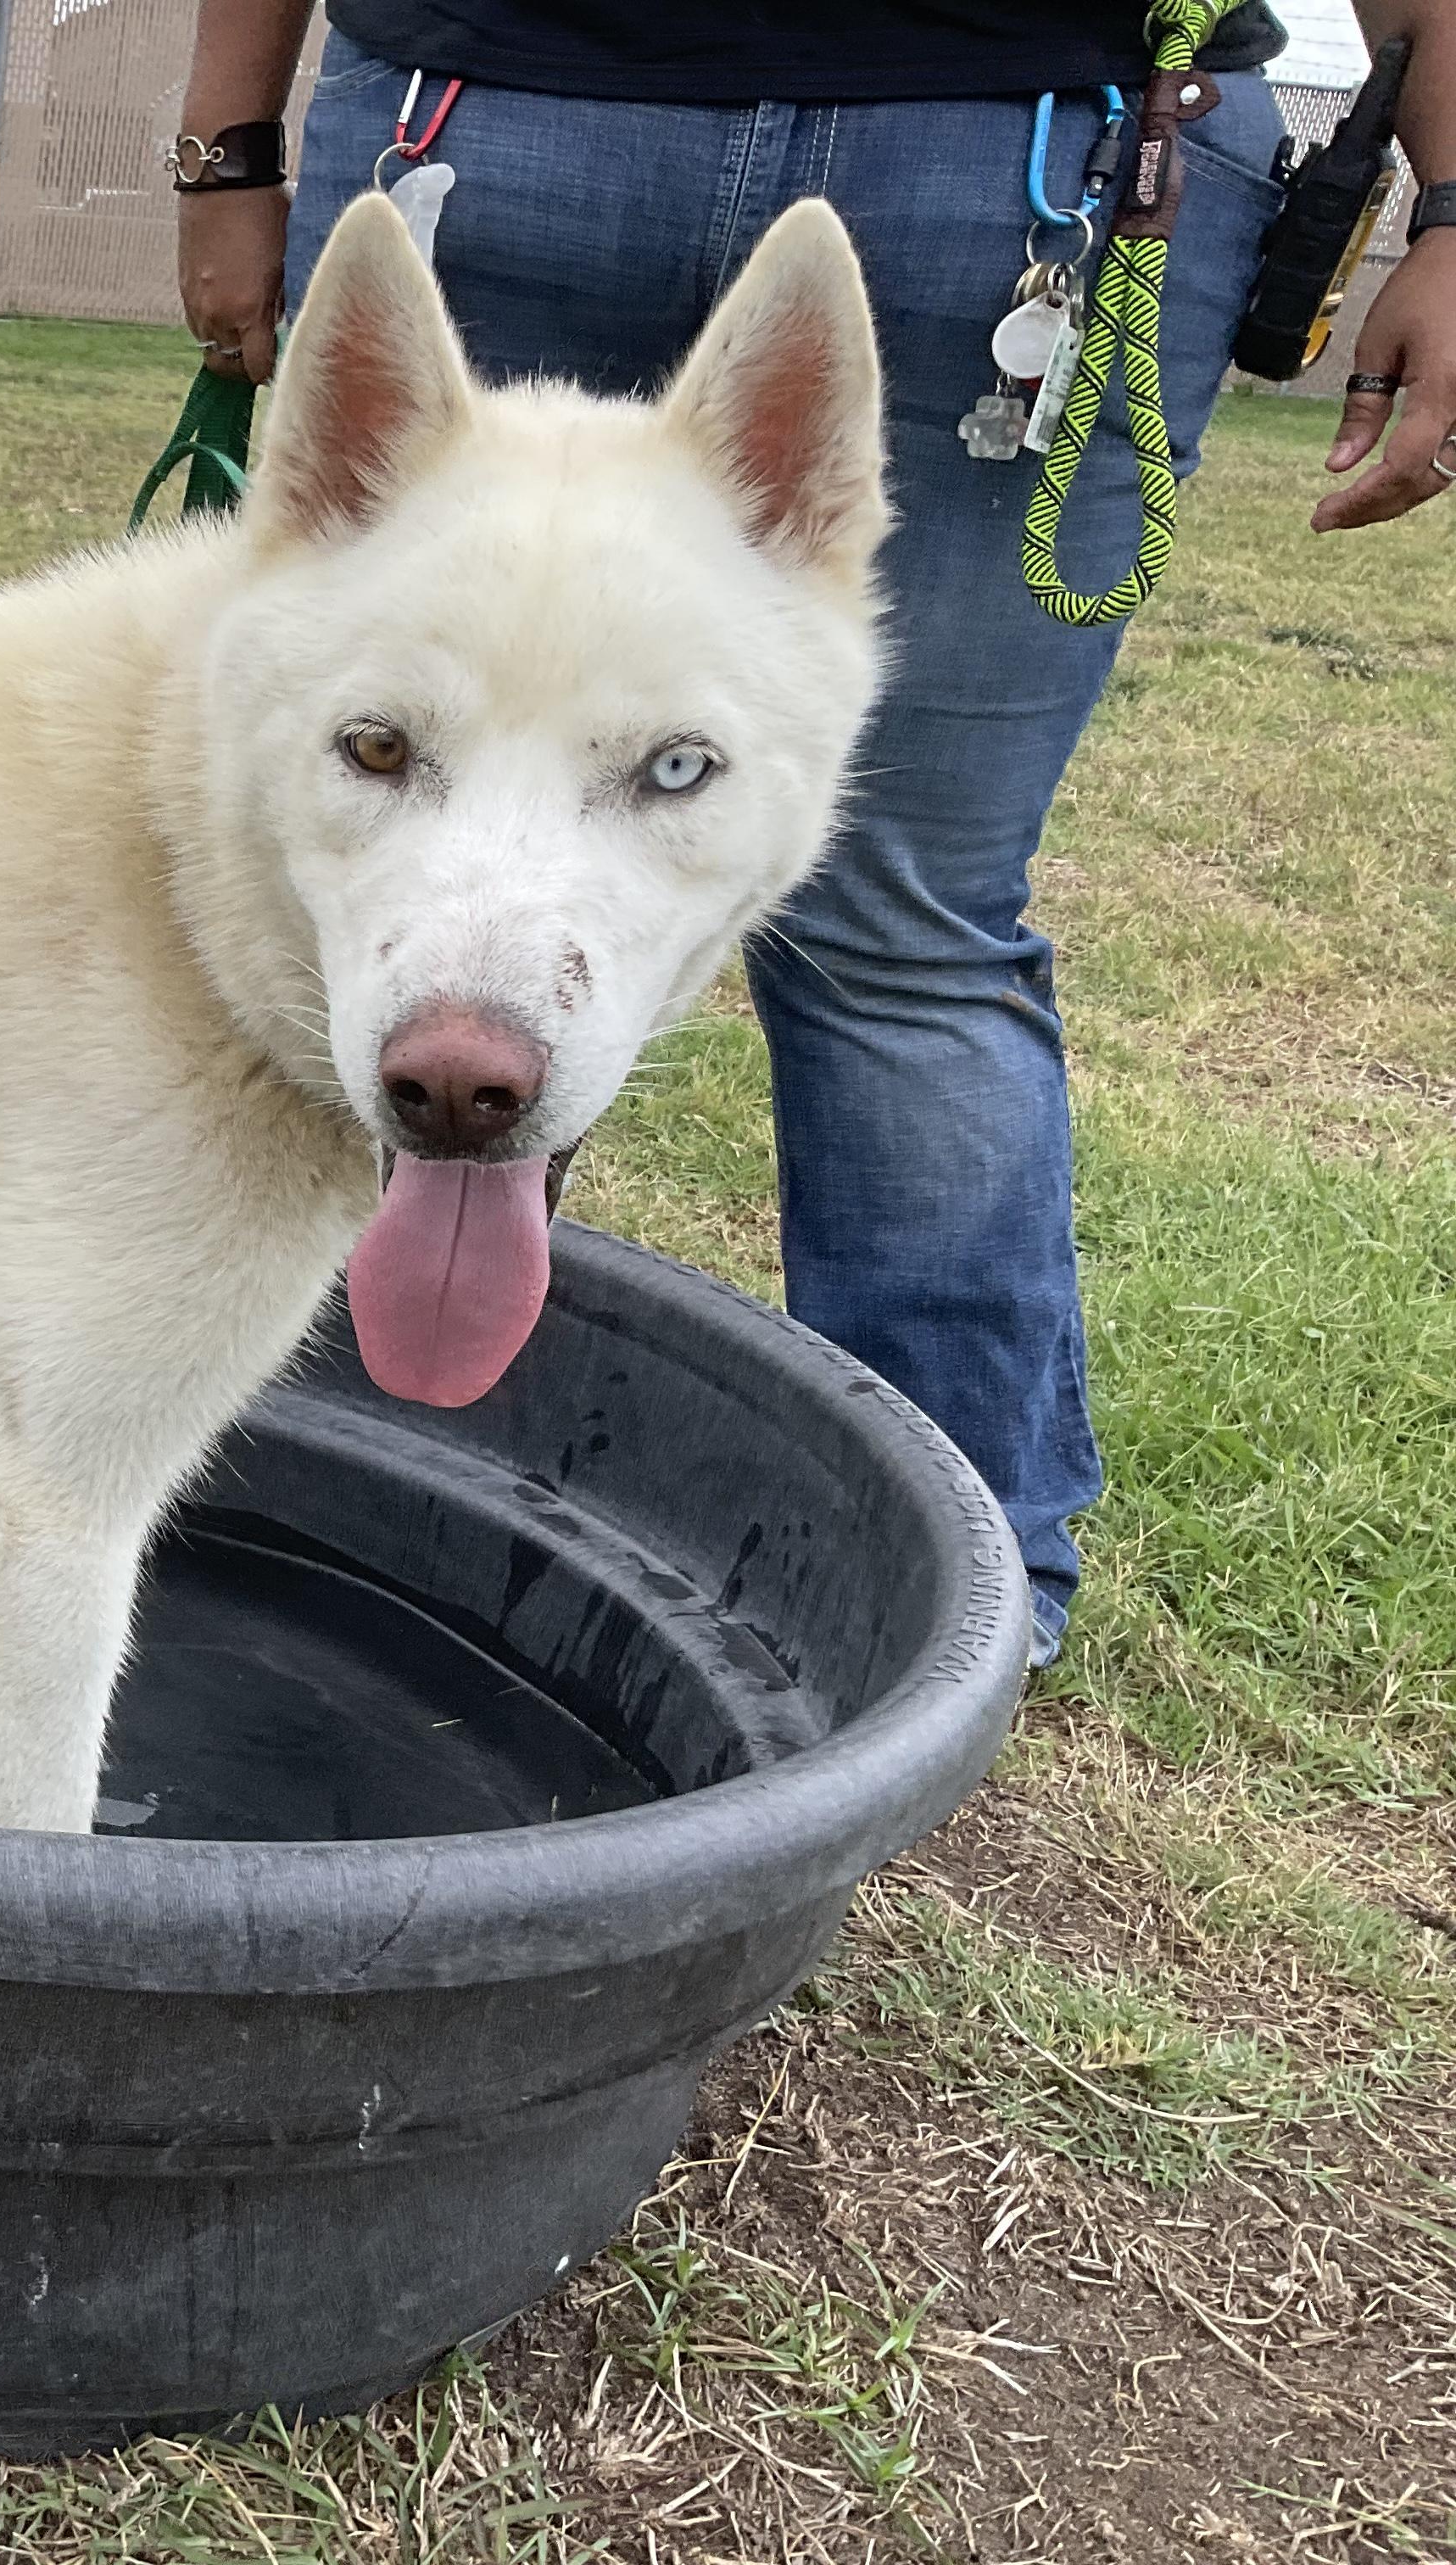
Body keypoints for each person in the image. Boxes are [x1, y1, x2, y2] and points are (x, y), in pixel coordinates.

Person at [176, 0, 1456, 1664]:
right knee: (898, 951)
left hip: (529, 110)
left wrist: (229, 141)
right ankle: (951, 1622)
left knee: (400, 837)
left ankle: (293, 1521)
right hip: (1002, 148)